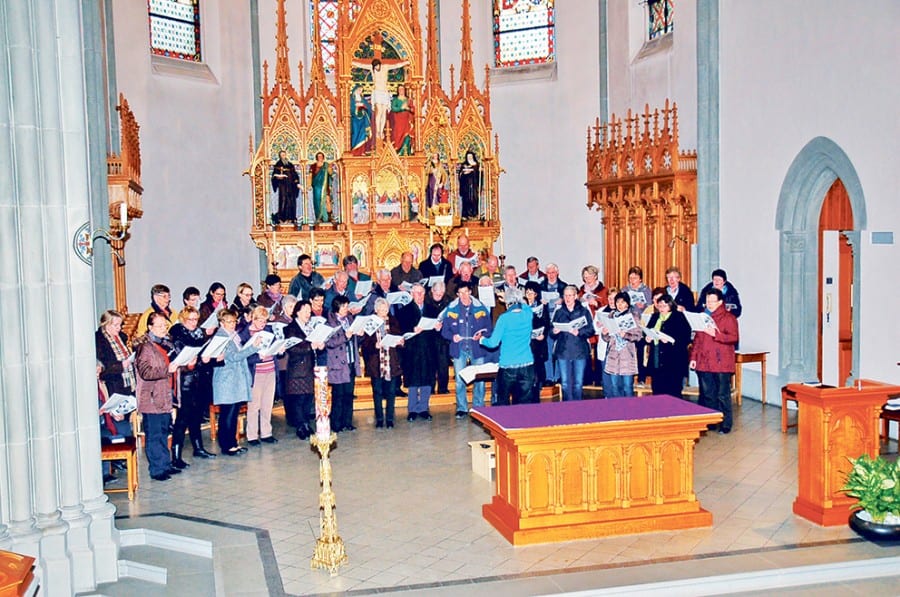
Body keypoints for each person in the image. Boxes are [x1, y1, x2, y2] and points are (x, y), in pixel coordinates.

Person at [133, 312, 181, 481]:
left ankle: (165, 464)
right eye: (159, 326)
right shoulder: (145, 347)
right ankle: (157, 469)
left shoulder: (166, 344)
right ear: (150, 327)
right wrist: (167, 370)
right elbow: (146, 372)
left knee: (163, 431)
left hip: (164, 395)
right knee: (154, 434)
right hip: (151, 397)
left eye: (165, 325)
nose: (163, 329)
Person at [169, 307, 217, 464]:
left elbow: (206, 354)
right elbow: (176, 360)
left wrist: (210, 359)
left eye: (196, 319)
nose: (193, 323)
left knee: (196, 416)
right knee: (182, 419)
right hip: (185, 382)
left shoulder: (200, 334)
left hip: (200, 380)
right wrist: (188, 365)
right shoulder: (177, 335)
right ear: (183, 319)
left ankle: (198, 448)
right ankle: (176, 455)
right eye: (190, 319)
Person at [212, 308, 263, 456]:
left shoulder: (233, 335)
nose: (232, 324)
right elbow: (233, 357)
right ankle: (227, 445)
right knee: (227, 413)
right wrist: (253, 348)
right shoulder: (221, 336)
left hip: (235, 379)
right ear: (221, 322)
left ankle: (233, 443)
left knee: (233, 412)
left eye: (234, 321)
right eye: (229, 322)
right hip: (226, 380)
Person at [690, 288, 740, 434]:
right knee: (708, 394)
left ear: (720, 302)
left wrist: (716, 335)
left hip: (721, 361)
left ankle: (726, 423)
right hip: (704, 361)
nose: (709, 304)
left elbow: (733, 338)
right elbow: (697, 340)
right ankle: (712, 421)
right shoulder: (702, 317)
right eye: (707, 301)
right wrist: (693, 358)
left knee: (722, 394)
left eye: (712, 301)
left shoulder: (729, 318)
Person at [441, 280, 493, 417]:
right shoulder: (451, 309)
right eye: (461, 293)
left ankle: (478, 407)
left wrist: (482, 334)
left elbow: (489, 328)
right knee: (459, 380)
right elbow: (444, 331)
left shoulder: (481, 308)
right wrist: (453, 337)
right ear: (457, 294)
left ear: (470, 292)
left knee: (479, 379)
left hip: (477, 349)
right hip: (459, 349)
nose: (464, 295)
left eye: (466, 292)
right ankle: (462, 408)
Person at [479, 288, 535, 405]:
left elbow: (493, 343)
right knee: (524, 403)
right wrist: (511, 298)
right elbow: (524, 305)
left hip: (508, 365)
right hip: (527, 364)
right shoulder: (528, 314)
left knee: (503, 402)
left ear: (507, 303)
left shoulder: (504, 318)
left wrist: (482, 340)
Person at [361, 297, 404, 428]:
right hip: (376, 362)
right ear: (376, 310)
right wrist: (375, 345)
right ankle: (379, 419)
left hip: (391, 361)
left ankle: (390, 419)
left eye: (386, 309)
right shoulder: (370, 322)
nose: (384, 312)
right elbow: (365, 345)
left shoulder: (393, 321)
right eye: (382, 309)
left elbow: (398, 336)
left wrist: (400, 342)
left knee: (391, 392)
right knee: (377, 392)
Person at [241, 306, 280, 446]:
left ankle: (266, 432)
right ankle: (251, 435)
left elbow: (274, 346)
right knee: (254, 405)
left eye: (265, 321)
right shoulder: (245, 334)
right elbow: (244, 357)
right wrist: (258, 357)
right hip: (256, 372)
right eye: (260, 321)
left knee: (267, 403)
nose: (263, 324)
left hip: (270, 369)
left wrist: (278, 349)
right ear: (253, 318)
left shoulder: (268, 330)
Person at [283, 300, 322, 439]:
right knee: (298, 399)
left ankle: (306, 423)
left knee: (308, 398)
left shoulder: (309, 327)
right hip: (297, 369)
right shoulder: (290, 328)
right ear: (297, 312)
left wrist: (319, 345)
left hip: (309, 368)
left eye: (309, 311)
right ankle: (300, 426)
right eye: (305, 310)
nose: (308, 313)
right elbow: (292, 348)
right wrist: (310, 347)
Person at [398, 284, 438, 420]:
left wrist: (438, 327)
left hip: (428, 349)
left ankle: (424, 408)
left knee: (427, 379)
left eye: (422, 293)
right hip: (412, 350)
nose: (420, 296)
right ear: (411, 294)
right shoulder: (405, 310)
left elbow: (436, 330)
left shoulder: (432, 309)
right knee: (413, 380)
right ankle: (413, 410)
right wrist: (412, 329)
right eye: (417, 293)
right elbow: (401, 329)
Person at [552, 285, 596, 401]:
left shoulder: (583, 311)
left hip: (579, 351)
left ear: (576, 296)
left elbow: (591, 330)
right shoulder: (559, 312)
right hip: (563, 351)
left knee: (578, 383)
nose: (568, 298)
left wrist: (579, 332)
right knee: (565, 383)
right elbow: (551, 333)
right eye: (565, 295)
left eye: (570, 295)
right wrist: (554, 331)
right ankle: (568, 407)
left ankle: (577, 406)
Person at [646, 294, 692, 399]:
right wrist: (647, 338)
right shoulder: (654, 317)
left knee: (673, 390)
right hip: (657, 357)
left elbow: (685, 337)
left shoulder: (679, 317)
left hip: (674, 359)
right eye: (660, 306)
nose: (661, 308)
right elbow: (648, 331)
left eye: (664, 306)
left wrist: (671, 341)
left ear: (671, 305)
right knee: (657, 389)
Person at [351, 57, 409, 141]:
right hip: (377, 92)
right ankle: (378, 131)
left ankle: (381, 131)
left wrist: (405, 62)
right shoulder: (372, 68)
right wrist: (352, 62)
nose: (376, 68)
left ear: (380, 65)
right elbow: (362, 65)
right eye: (375, 67)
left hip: (385, 92)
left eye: (377, 67)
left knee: (383, 112)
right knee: (379, 111)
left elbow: (396, 65)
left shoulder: (385, 67)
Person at [325, 295, 360, 433]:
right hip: (338, 363)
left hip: (350, 361)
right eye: (344, 306)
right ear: (337, 307)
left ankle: (348, 422)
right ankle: (336, 423)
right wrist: (345, 336)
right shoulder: (329, 323)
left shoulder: (350, 319)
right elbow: (329, 342)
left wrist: (359, 334)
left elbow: (355, 339)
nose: (346, 309)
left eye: (347, 306)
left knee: (348, 394)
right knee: (338, 395)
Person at [599, 292, 643, 398]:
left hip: (627, 355)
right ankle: (617, 410)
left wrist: (626, 335)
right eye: (617, 302)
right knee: (615, 386)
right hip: (613, 355)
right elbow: (607, 339)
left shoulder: (633, 316)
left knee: (627, 386)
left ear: (627, 304)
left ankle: (630, 411)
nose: (619, 304)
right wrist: (604, 333)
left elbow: (638, 336)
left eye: (622, 302)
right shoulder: (611, 315)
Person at [95, 309, 136, 399]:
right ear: (106, 324)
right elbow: (104, 369)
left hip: (128, 381)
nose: (119, 328)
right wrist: (121, 365)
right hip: (113, 385)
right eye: (115, 325)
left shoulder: (122, 337)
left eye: (120, 325)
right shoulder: (98, 341)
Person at [579, 265, 609, 386]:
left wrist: (597, 303)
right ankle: (587, 377)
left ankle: (599, 378)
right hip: (586, 322)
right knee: (585, 350)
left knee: (598, 351)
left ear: (595, 276)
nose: (587, 279)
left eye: (589, 276)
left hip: (598, 322)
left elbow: (608, 306)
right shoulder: (581, 291)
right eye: (585, 277)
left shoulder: (603, 290)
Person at [625, 266, 653, 385]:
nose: (632, 280)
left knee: (640, 351)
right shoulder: (625, 290)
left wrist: (644, 306)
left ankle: (641, 377)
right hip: (629, 324)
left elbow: (652, 306)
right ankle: (629, 376)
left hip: (642, 324)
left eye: (635, 278)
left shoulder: (646, 290)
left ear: (640, 279)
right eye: (631, 278)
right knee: (629, 351)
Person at [540, 263, 567, 385]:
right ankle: (549, 377)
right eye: (548, 273)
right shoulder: (541, 287)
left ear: (557, 273)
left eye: (553, 272)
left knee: (561, 351)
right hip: (547, 323)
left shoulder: (564, 287)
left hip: (560, 323)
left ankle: (560, 376)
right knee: (548, 351)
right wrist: (541, 302)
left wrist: (563, 301)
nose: (551, 275)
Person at [524, 281, 550, 402]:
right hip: (526, 344)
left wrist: (543, 334)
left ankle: (536, 396)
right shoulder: (522, 306)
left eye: (531, 293)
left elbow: (546, 323)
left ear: (536, 294)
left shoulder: (542, 306)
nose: (529, 295)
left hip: (538, 344)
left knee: (538, 371)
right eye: (527, 292)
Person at [427, 280, 452, 394]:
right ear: (432, 291)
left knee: (443, 365)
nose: (439, 296)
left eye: (441, 294)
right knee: (430, 365)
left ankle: (443, 388)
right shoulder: (426, 301)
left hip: (443, 338)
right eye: (437, 294)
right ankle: (430, 388)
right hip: (429, 337)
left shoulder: (448, 301)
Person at [271, 150, 300, 224]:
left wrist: (297, 182)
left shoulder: (290, 164)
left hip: (291, 186)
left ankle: (291, 218)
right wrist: (279, 176)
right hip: (283, 186)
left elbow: (294, 174)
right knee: (283, 200)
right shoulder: (278, 164)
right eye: (282, 155)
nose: (283, 156)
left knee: (291, 201)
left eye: (284, 154)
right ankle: (282, 218)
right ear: (280, 156)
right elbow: (274, 175)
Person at [389, 83, 414, 155]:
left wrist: (408, 108)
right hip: (398, 121)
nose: (401, 91)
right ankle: (399, 152)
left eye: (402, 89)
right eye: (400, 89)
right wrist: (401, 108)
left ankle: (406, 153)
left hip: (407, 121)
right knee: (398, 135)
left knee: (407, 136)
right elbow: (393, 108)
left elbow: (413, 109)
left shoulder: (408, 100)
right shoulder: (395, 100)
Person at [349, 85, 372, 156]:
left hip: (363, 121)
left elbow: (369, 108)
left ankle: (362, 151)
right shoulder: (351, 99)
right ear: (355, 90)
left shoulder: (363, 99)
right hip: (355, 120)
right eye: (359, 90)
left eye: (361, 90)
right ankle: (355, 150)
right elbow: (349, 108)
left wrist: (364, 108)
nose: (360, 92)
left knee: (363, 134)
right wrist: (356, 108)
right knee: (355, 134)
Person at [309, 152, 331, 223]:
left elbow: (331, 173)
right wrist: (308, 185)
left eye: (321, 156)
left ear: (323, 157)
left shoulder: (326, 165)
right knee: (317, 201)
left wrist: (329, 168)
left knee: (326, 200)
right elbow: (310, 176)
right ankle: (319, 217)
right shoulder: (313, 166)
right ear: (316, 157)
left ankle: (327, 217)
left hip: (324, 186)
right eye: (318, 156)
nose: (320, 157)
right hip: (316, 187)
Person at [458, 151, 480, 219]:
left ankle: (474, 214)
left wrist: (472, 171)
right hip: (466, 186)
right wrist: (464, 173)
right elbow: (460, 175)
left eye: (470, 157)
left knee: (474, 199)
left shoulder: (476, 165)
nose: (469, 158)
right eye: (468, 157)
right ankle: (466, 215)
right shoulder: (464, 165)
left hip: (473, 185)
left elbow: (479, 175)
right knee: (466, 199)